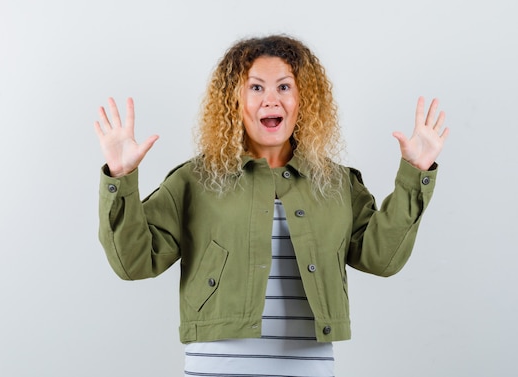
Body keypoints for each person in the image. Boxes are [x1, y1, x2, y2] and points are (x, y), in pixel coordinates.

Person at [94, 35, 448, 377]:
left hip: (308, 367)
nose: (271, 99)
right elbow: (134, 263)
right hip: (217, 366)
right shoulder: (195, 180)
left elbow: (381, 258)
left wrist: (415, 174)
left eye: (284, 86)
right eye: (256, 87)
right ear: (234, 100)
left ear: (303, 99)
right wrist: (120, 177)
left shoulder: (337, 183)